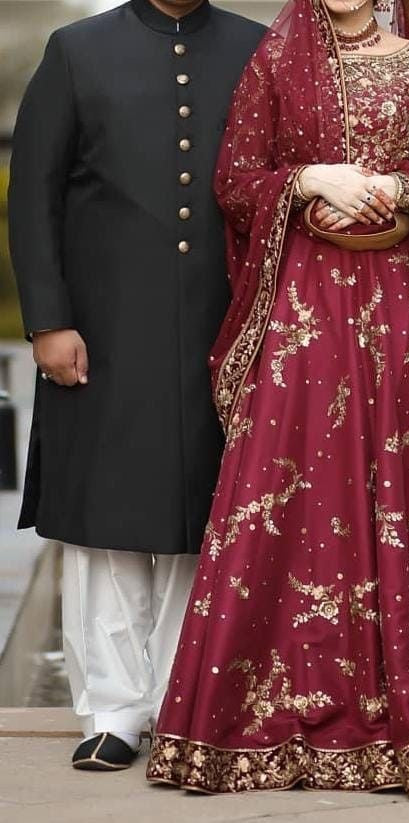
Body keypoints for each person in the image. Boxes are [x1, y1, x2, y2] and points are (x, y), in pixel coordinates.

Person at [146, 0, 409, 797]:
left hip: (399, 314)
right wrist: (305, 179)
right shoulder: (274, 66)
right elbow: (234, 182)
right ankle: (246, 722)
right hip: (303, 309)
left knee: (406, 486)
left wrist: (400, 188)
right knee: (285, 480)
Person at [9, 0, 265, 770]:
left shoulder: (259, 49)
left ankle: (186, 702)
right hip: (104, 330)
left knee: (205, 518)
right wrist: (48, 320)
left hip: (222, 330)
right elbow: (33, 196)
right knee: (107, 523)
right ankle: (115, 712)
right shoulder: (76, 50)